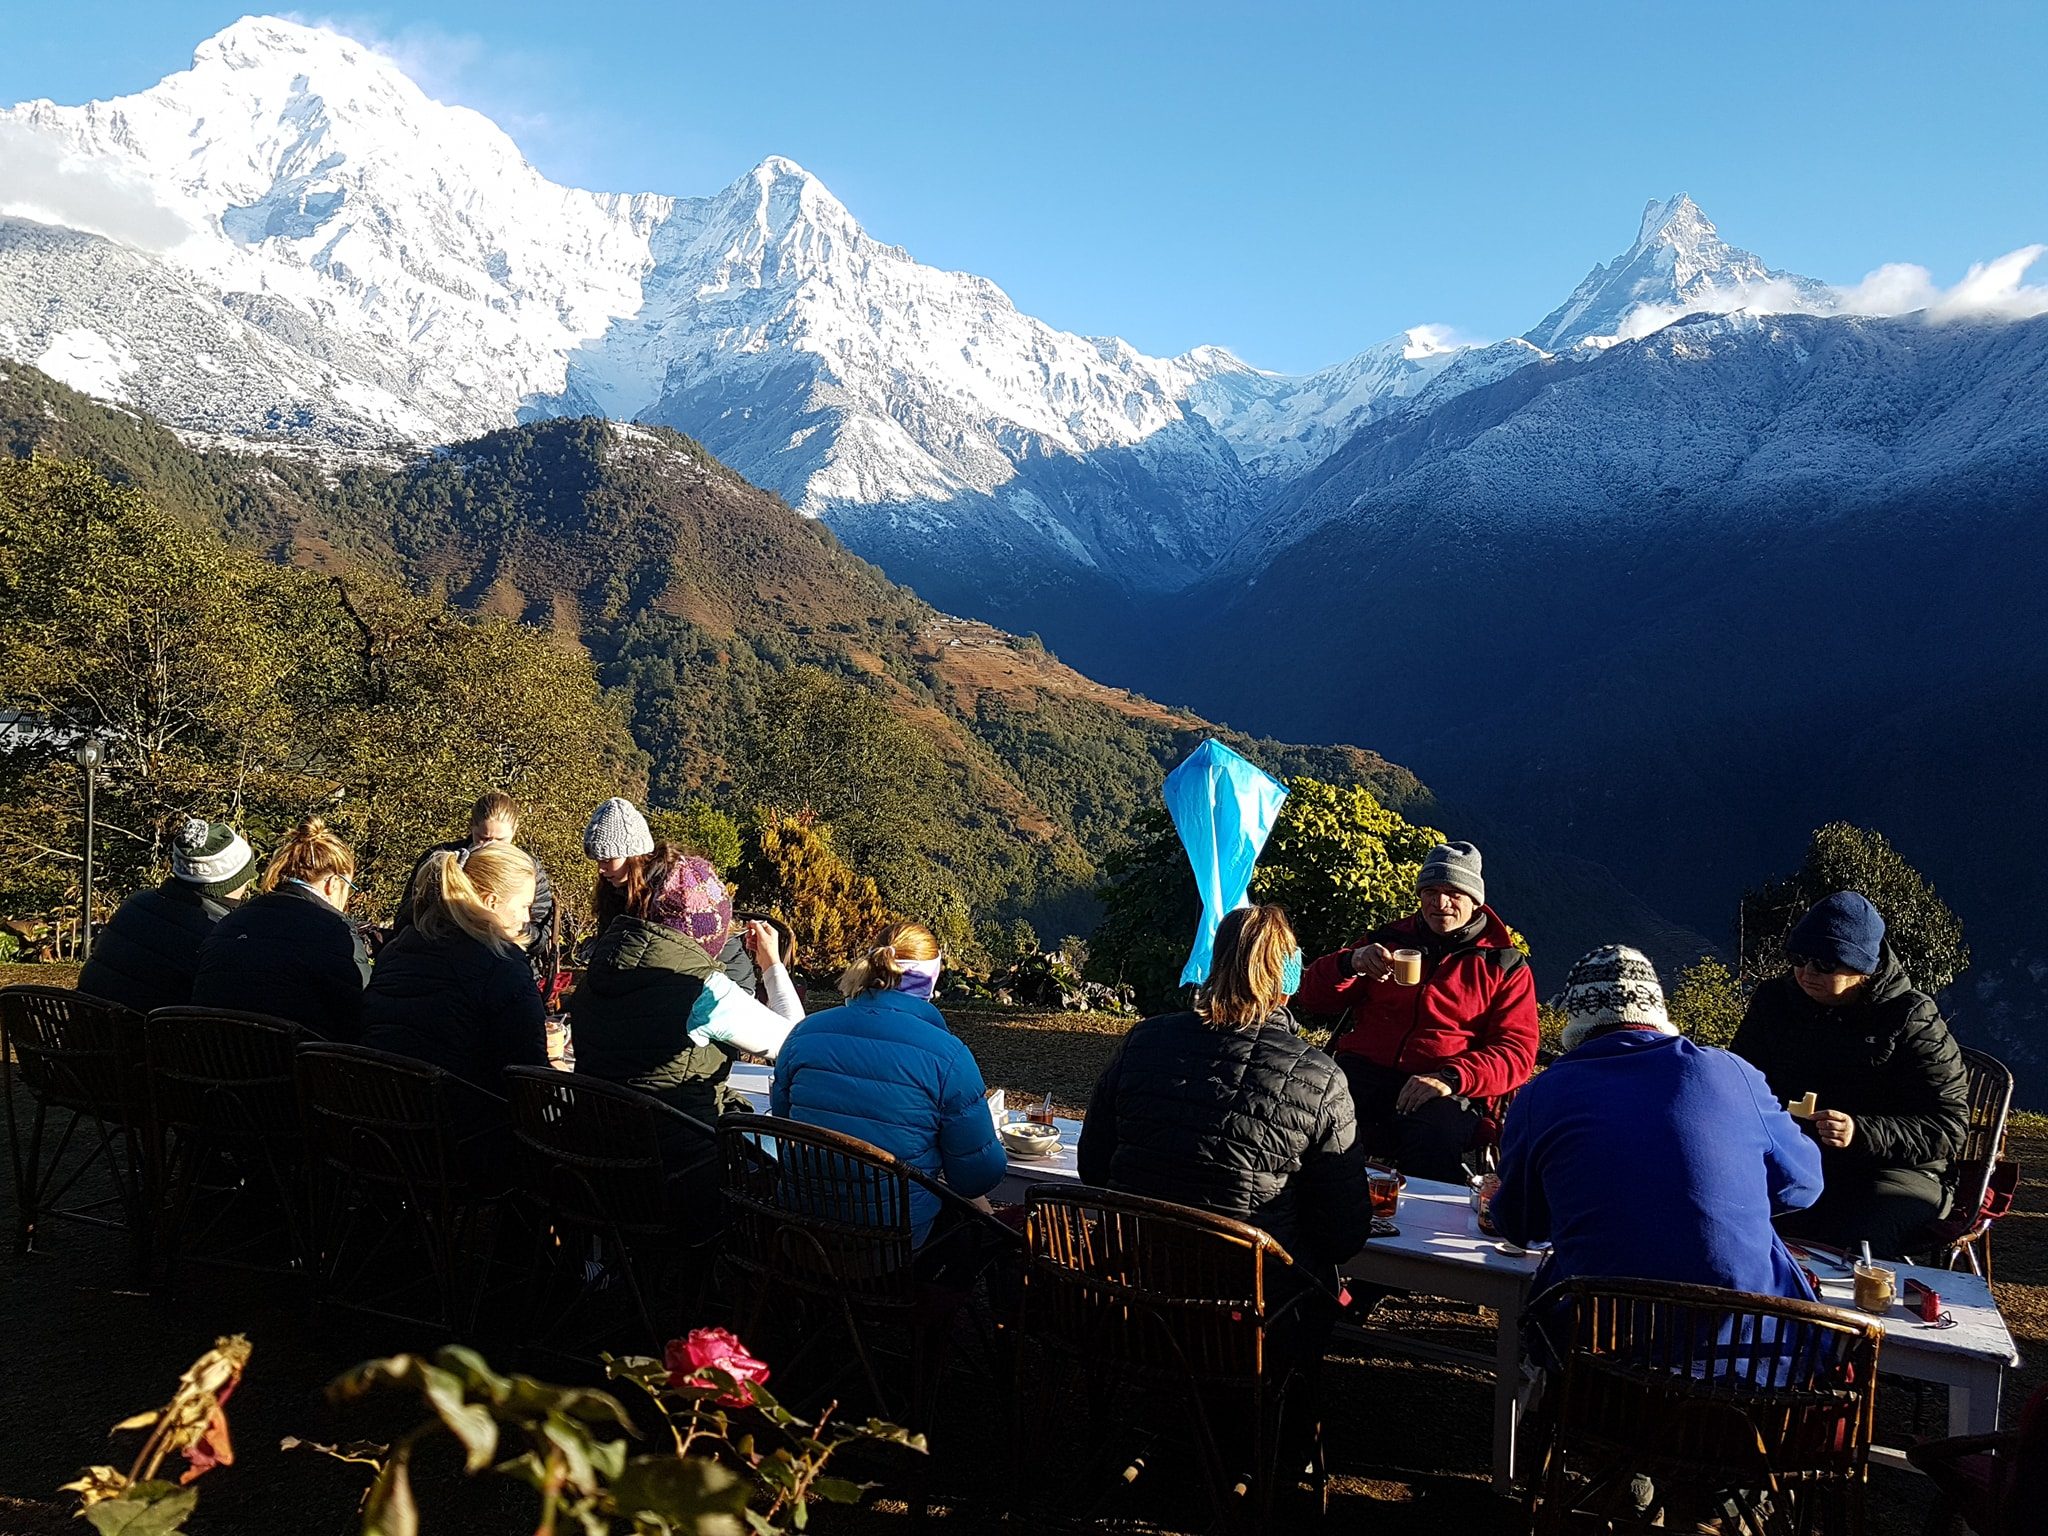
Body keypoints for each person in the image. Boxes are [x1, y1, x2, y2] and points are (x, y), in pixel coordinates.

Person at [1493, 945, 1823, 1307]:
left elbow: (1522, 1227)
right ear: (1657, 1012)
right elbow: (1803, 1185)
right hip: (1752, 1345)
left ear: (1576, 1024)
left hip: (1598, 1344)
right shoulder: (1732, 1073)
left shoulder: (1542, 1094)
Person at [1079, 904, 1373, 1282]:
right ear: (1289, 976)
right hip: (1247, 1309)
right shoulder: (1319, 1079)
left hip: (1129, 1286)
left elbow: (1094, 1167)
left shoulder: (1143, 1041)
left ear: (1215, 964)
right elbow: (1342, 1234)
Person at [1730, 891, 1969, 1259]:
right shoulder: (1775, 1001)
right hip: (1795, 1155)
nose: (1807, 973)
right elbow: (1739, 1079)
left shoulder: (1910, 1017)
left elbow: (1949, 1127)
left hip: (1896, 1173)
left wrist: (1861, 1131)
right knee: (1727, 1213)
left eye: (1826, 964)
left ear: (1862, 969)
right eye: (1798, 958)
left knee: (1856, 1243)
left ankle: (1845, 1316)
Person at [1293, 840, 1539, 1181]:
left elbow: (1516, 1052)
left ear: (1474, 900)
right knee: (1308, 1107)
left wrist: (1451, 1078)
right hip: (1365, 1068)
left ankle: (1419, 1227)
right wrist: (1350, 963)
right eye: (1430, 891)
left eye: (1453, 892)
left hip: (1446, 1082)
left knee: (1433, 1137)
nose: (1440, 903)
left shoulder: (1503, 964)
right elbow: (1313, 998)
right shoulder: (1389, 939)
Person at [771, 922, 1006, 1247]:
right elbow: (976, 1177)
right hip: (892, 1244)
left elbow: (783, 1124)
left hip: (800, 1230)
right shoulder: (948, 1055)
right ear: (931, 979)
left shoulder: (804, 1034)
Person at [567, 846, 803, 1122]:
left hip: (598, 1138)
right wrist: (772, 965)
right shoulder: (704, 990)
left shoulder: (599, 971)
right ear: (711, 934)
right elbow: (798, 1044)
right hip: (683, 1151)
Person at [361, 845, 548, 1093]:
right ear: (491, 902)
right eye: (525, 906)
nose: (527, 919)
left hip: (376, 1106)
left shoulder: (397, 951)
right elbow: (527, 1072)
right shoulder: (504, 966)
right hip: (462, 1120)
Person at [191, 817, 369, 1040]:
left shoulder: (231, 921)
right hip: (293, 1066)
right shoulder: (337, 933)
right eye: (349, 888)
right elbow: (361, 1011)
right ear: (333, 883)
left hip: (211, 1058)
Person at [77, 816, 260, 1016]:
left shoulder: (136, 904)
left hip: (90, 1030)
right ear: (232, 880)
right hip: (148, 1040)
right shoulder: (220, 934)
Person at [395, 791, 556, 971]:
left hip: (505, 964)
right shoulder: (441, 859)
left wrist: (510, 926)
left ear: (515, 829)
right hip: (439, 963)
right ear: (471, 826)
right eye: (483, 838)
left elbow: (540, 939)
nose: (490, 845)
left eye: (501, 840)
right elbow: (406, 917)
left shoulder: (528, 869)